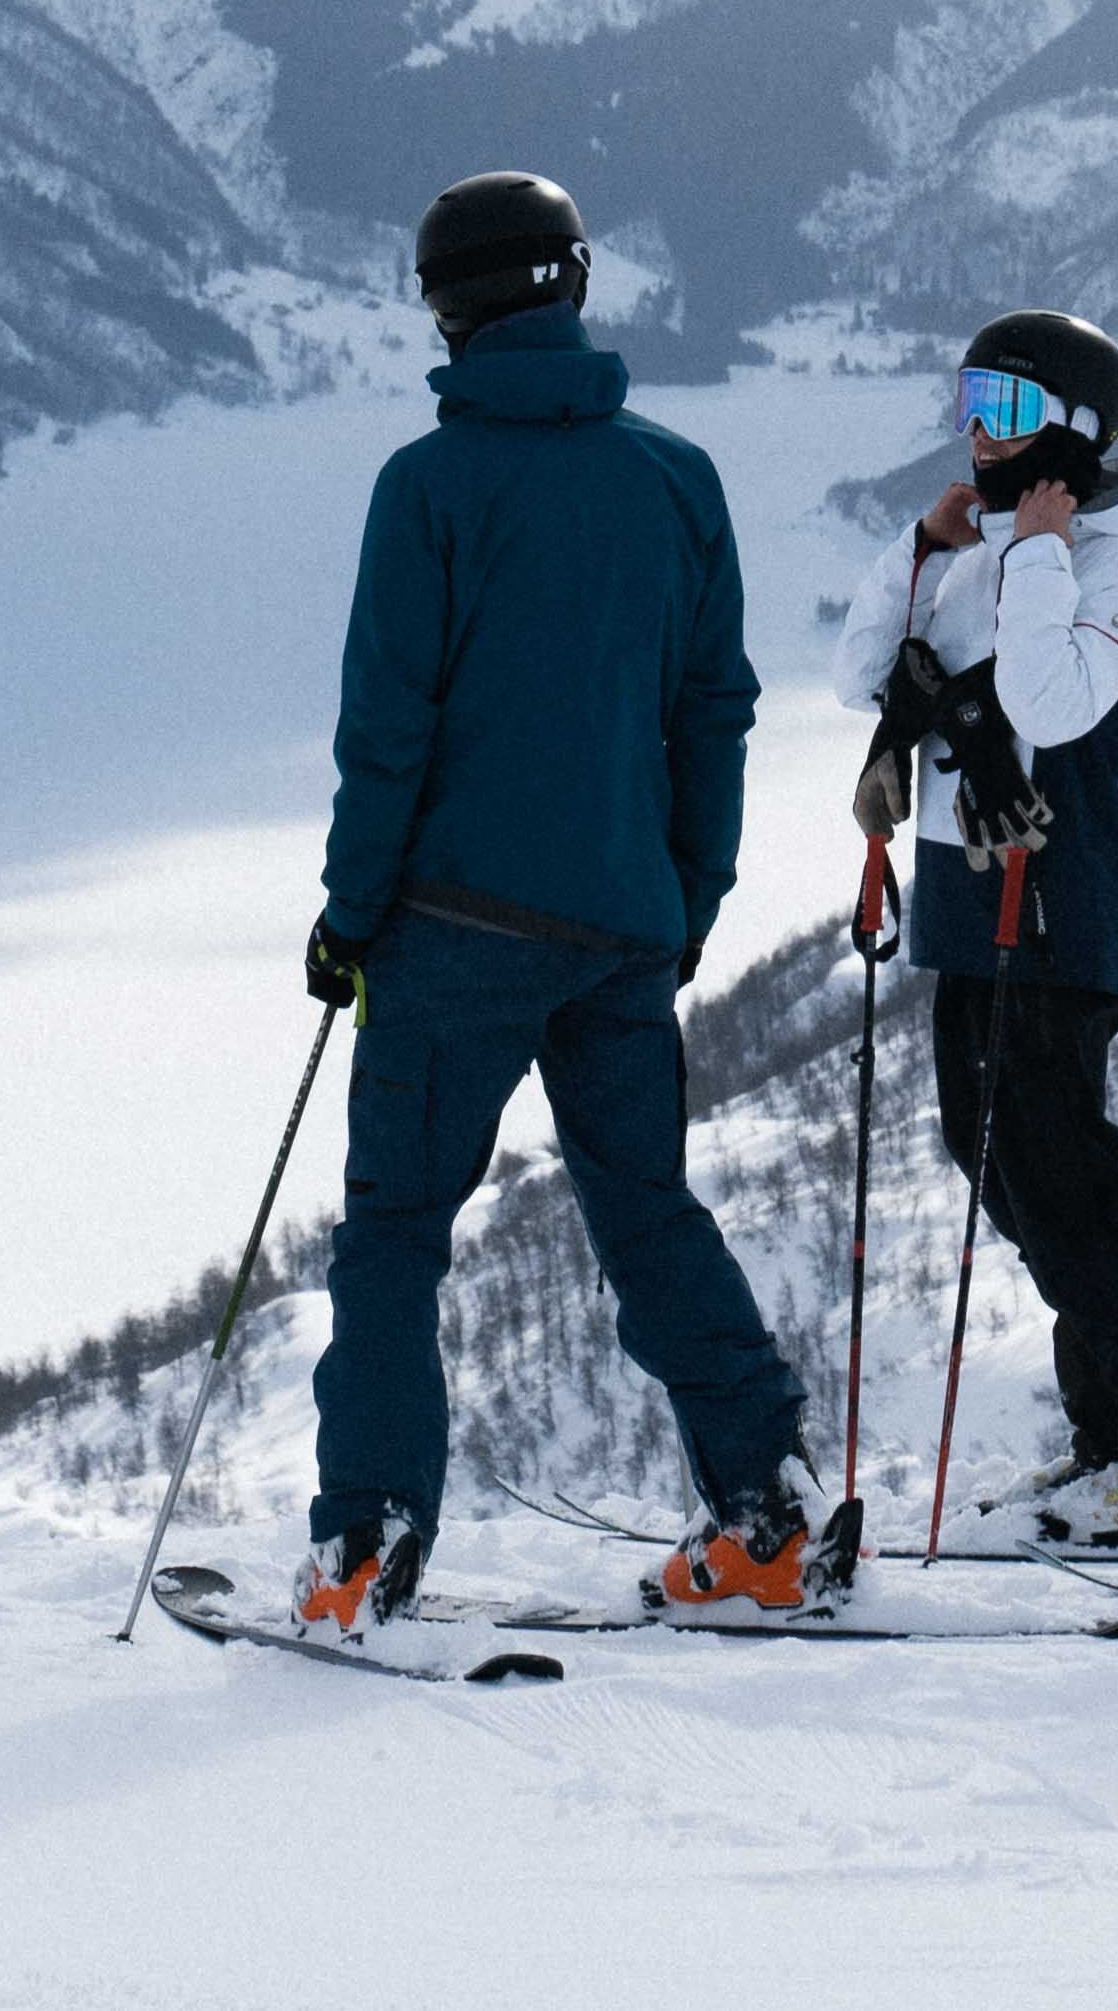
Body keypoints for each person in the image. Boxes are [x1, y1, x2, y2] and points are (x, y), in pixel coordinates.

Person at [296, 170, 813, 1629]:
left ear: (448, 309)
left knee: (395, 1233)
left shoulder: (429, 486)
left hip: (450, 926)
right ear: (574, 283)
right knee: (647, 1212)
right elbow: (714, 711)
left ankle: (369, 1540)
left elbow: (389, 730)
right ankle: (765, 1513)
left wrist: (349, 915)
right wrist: (687, 892)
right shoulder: (676, 475)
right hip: (625, 928)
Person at [831, 310, 1118, 1547]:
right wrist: (923, 550)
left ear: (1073, 433)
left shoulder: (1116, 564)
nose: (980, 428)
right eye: (974, 397)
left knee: (1068, 1187)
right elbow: (863, 670)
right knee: (1011, 1180)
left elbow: (1049, 701)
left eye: (1010, 409)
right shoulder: (990, 543)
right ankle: (1116, 1443)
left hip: (1057, 902)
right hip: (971, 904)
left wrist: (1032, 556)